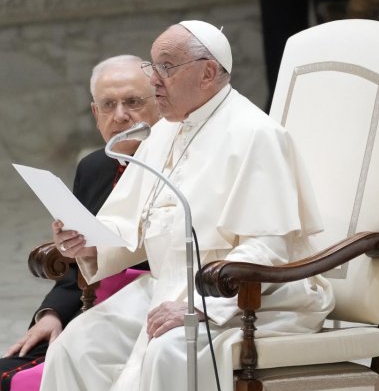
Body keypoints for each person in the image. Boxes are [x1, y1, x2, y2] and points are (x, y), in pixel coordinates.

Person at [43, 20, 335, 391]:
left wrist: (199, 304)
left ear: (208, 72)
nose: (153, 80)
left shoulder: (255, 135)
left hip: (249, 297)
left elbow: (269, 246)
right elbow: (135, 219)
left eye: (166, 67)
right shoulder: (165, 129)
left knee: (170, 350)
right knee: (78, 343)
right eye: (153, 66)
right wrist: (90, 243)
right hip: (169, 286)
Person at [0, 54, 160, 391]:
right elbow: (73, 270)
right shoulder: (94, 168)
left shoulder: (176, 166)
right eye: (109, 105)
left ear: (159, 104)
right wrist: (52, 313)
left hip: (148, 312)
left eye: (133, 102)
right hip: (92, 307)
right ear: (96, 115)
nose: (121, 116)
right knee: (4, 374)